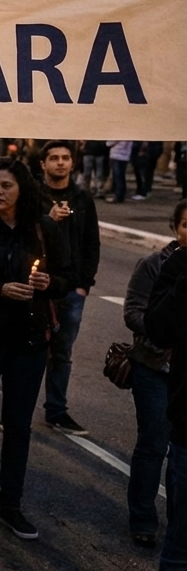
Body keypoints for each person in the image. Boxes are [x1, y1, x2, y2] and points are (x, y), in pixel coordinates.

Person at [0, 158, 71, 541]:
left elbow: (67, 279)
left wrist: (47, 281)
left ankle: (11, 506)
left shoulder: (43, 228)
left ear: (22, 188)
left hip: (28, 342)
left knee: (18, 428)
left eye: (5, 185)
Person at [123, 200, 187, 549]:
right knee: (153, 445)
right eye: (186, 225)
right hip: (155, 368)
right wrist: (166, 333)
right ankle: (143, 518)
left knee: (180, 454)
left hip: (183, 374)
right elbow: (135, 313)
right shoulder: (155, 264)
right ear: (175, 227)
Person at [39, 140, 101, 437]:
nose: (60, 163)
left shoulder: (82, 199)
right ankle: (16, 410)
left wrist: (83, 286)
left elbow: (92, 243)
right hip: (38, 286)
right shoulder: (34, 196)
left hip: (71, 290)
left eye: (65, 158)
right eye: (54, 158)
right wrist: (47, 219)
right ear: (43, 164)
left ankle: (57, 411)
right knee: (29, 350)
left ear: (72, 163)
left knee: (61, 353)